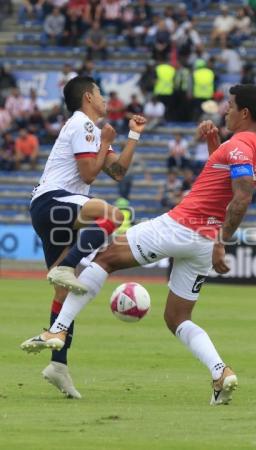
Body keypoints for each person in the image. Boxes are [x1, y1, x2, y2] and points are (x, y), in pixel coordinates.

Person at [21, 84, 256, 406]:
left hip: (183, 226)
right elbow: (224, 183)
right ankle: (220, 372)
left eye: (231, 106)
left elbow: (242, 196)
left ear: (245, 113)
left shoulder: (239, 146)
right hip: (202, 245)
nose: (226, 110)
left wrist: (223, 240)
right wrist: (213, 145)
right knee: (177, 318)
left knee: (106, 256)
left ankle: (58, 329)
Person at [21, 75, 146, 398]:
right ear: (89, 96)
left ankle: (57, 365)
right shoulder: (84, 125)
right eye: (101, 94)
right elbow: (88, 174)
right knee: (114, 216)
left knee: (64, 293)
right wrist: (105, 140)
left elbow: (116, 171)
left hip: (49, 210)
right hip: (54, 202)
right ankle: (68, 264)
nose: (105, 99)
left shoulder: (90, 131)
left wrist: (133, 135)